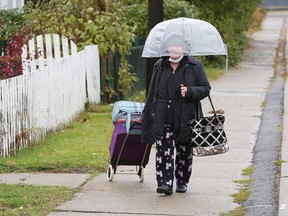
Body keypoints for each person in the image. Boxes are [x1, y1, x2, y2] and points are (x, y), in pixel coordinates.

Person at [141, 41, 211, 195]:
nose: (174, 49)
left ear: (185, 49)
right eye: (171, 46)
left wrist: (190, 91)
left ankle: (182, 180)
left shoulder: (194, 66)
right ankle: (165, 183)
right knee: (163, 150)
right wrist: (149, 114)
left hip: (185, 117)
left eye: (178, 46)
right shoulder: (160, 65)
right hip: (163, 116)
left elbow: (206, 89)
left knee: (184, 151)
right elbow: (152, 92)